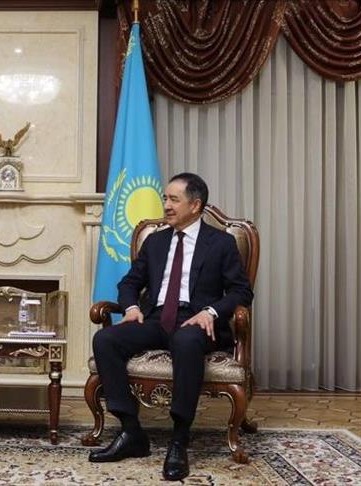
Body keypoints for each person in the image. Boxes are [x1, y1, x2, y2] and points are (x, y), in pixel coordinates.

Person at [88, 172, 253, 481]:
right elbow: (129, 282)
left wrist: (210, 312)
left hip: (196, 321)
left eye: (174, 199)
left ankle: (179, 440)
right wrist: (132, 307)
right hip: (155, 319)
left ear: (195, 205)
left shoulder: (221, 243)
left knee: (186, 341)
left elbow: (241, 292)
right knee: (106, 340)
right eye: (165, 198)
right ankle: (131, 432)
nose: (166, 205)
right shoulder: (156, 241)